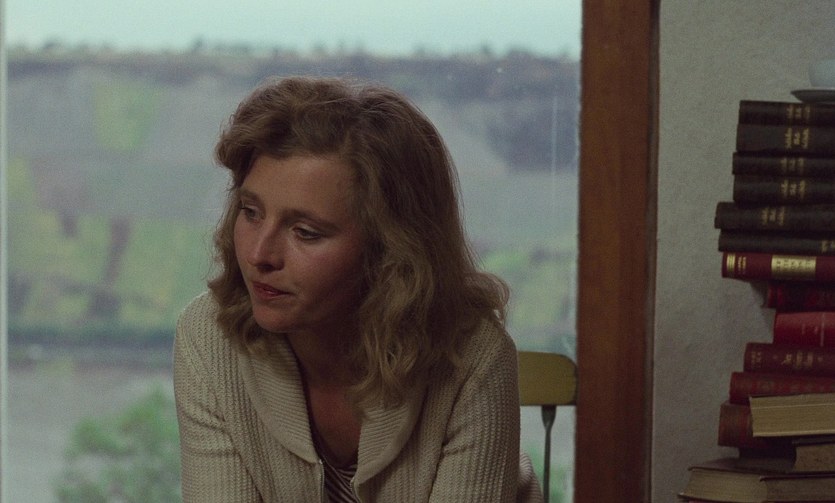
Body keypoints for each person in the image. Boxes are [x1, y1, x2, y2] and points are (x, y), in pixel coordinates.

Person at [173, 75, 541, 502]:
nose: (259, 254)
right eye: (250, 212)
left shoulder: (473, 357)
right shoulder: (210, 336)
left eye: (305, 232)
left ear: (390, 251)